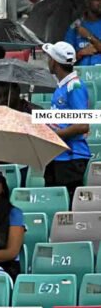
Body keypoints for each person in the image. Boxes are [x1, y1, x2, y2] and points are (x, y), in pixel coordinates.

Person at [43, 41, 91, 198]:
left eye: (49, 58)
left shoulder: (75, 86)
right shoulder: (62, 87)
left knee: (69, 206)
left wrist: (54, 136)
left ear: (54, 62)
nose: (48, 61)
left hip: (71, 158)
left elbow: (82, 125)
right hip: (58, 156)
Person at [65, 0, 101, 66]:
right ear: (87, 2)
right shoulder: (74, 27)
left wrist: (89, 36)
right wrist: (81, 53)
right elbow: (67, 60)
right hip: (81, 72)